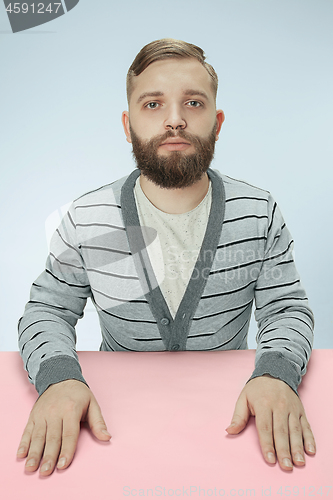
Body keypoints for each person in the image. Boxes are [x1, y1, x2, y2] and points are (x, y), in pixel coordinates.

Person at [17, 38, 316, 476]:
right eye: (153, 104)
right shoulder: (88, 218)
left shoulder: (259, 211)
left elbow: (286, 309)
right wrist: (59, 379)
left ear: (217, 122)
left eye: (192, 103)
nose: (174, 120)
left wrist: (275, 373)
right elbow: (47, 310)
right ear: (127, 124)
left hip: (232, 430)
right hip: (114, 433)